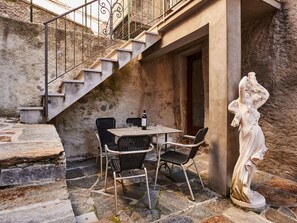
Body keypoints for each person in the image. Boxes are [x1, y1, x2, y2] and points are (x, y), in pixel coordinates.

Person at [228, 72, 269, 208]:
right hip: (247, 136)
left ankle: (248, 186)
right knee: (245, 160)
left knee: (252, 163)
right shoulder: (242, 102)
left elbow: (265, 95)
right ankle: (241, 188)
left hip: (257, 135)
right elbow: (241, 85)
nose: (252, 94)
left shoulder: (253, 106)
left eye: (252, 93)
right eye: (249, 92)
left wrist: (254, 82)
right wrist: (250, 78)